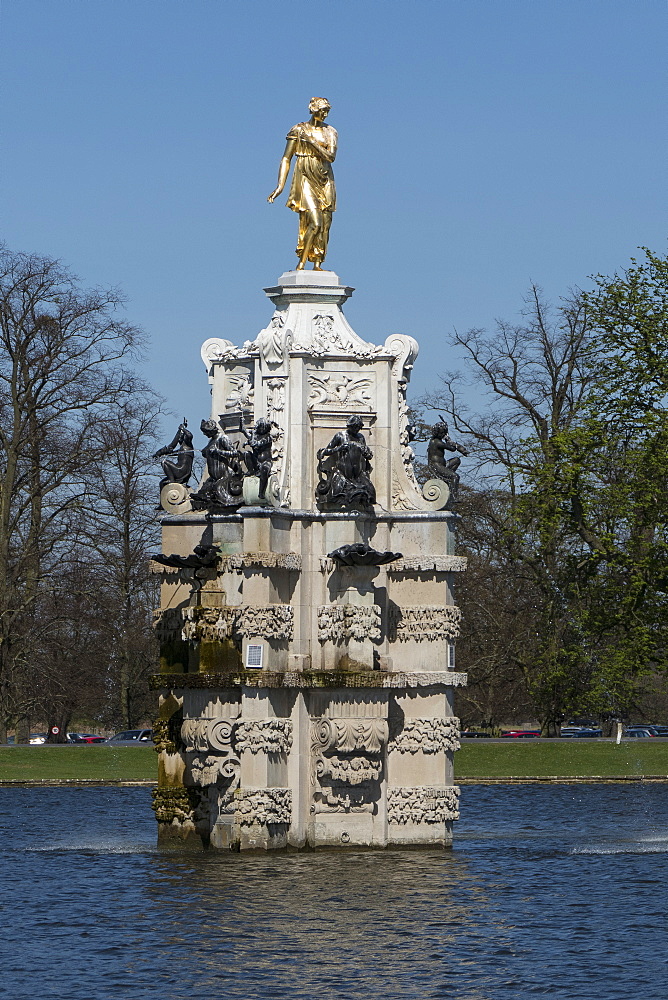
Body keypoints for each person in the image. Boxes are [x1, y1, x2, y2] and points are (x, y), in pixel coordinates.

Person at [267, 97, 337, 270]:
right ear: (313, 109)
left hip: (325, 177)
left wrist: (311, 142)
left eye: (327, 111)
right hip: (305, 175)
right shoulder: (298, 130)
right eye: (322, 110)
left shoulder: (331, 132)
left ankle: (318, 263)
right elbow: (286, 157)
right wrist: (280, 186)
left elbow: (331, 157)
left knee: (326, 223)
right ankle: (302, 263)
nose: (325, 114)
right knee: (315, 222)